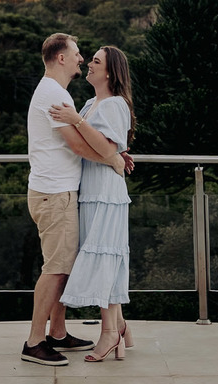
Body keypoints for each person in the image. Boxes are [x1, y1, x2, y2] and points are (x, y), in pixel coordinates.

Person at [22, 33, 126, 366]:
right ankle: (35, 341)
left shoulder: (55, 92)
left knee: (64, 267)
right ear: (61, 58)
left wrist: (114, 152)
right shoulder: (54, 94)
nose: (81, 59)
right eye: (78, 53)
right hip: (55, 194)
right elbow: (78, 145)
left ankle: (57, 332)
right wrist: (112, 159)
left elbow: (86, 138)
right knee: (56, 270)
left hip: (55, 192)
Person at [49, 45, 135, 363]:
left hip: (106, 193)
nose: (89, 64)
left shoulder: (115, 104)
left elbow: (106, 147)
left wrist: (76, 121)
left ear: (110, 72)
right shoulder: (90, 103)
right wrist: (115, 152)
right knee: (101, 254)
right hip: (91, 190)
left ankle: (110, 332)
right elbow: (101, 147)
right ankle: (120, 326)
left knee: (104, 256)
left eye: (96, 62)